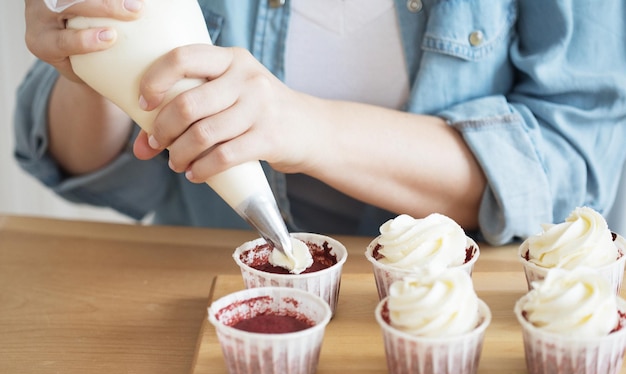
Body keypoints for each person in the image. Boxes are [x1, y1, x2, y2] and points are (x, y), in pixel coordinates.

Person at [14, 0, 626, 245]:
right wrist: (93, 56)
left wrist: (306, 129)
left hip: (468, 309)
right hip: (208, 294)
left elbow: (577, 164)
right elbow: (101, 174)